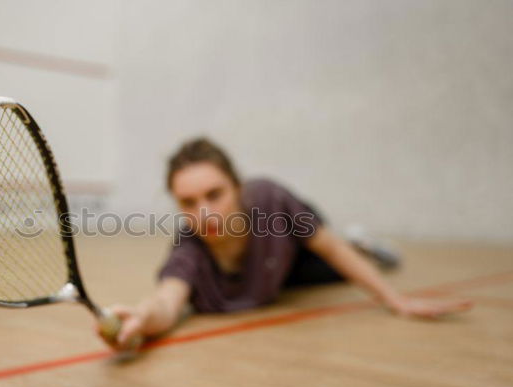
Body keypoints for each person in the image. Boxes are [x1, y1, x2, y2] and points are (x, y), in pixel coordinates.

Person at [102, 138, 472, 349]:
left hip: (290, 244)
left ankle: (362, 244)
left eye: (215, 194)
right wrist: (142, 317)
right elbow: (167, 300)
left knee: (340, 267)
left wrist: (398, 302)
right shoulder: (189, 251)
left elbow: (329, 248)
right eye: (188, 202)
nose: (205, 212)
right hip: (274, 279)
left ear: (238, 188)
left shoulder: (268, 198)